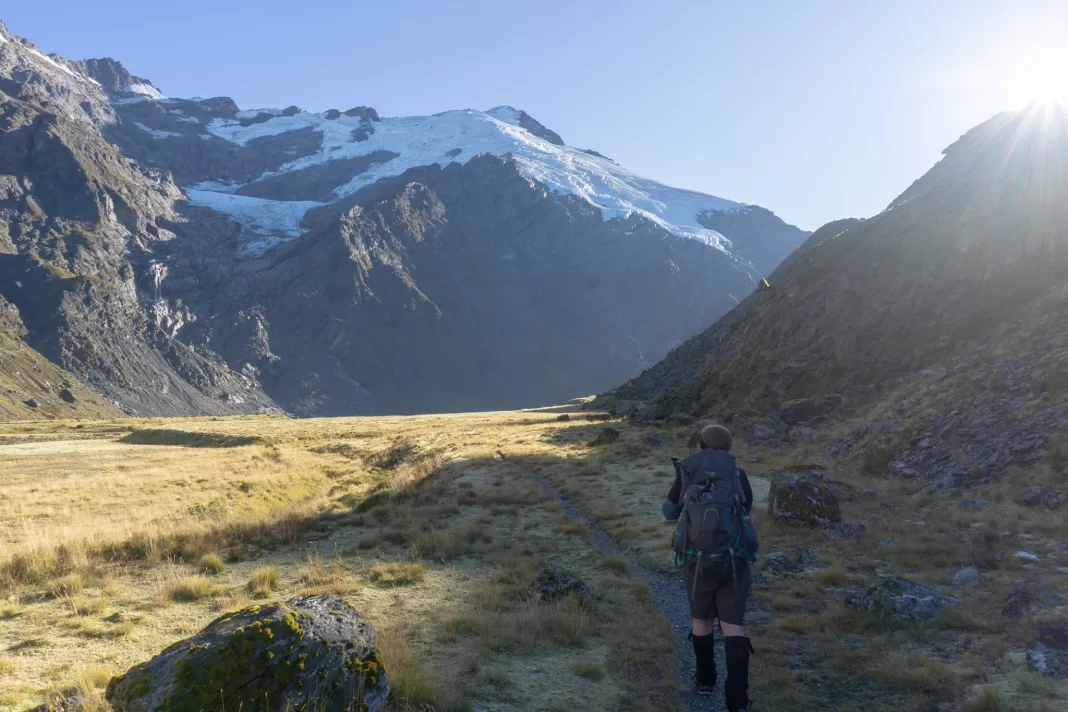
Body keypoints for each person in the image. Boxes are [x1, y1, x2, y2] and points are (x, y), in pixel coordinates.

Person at [662, 424, 754, 712]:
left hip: (696, 560)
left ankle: (705, 681)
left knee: (701, 621)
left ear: (701, 446)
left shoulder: (687, 472)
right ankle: (737, 701)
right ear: (729, 447)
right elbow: (747, 509)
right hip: (734, 560)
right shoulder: (736, 473)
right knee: (732, 626)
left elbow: (668, 512)